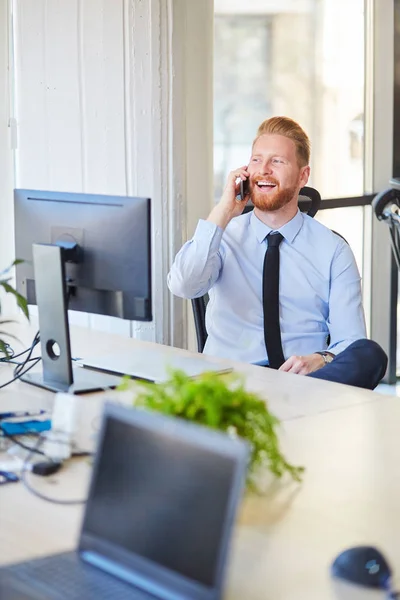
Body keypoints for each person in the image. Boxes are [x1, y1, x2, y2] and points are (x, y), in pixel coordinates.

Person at [167, 116, 387, 389]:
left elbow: (351, 341)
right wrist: (223, 210)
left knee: (371, 355)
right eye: (257, 160)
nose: (264, 170)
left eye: (277, 161)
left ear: (303, 176)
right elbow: (183, 285)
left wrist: (321, 358)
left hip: (301, 383)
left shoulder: (333, 250)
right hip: (229, 384)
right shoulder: (223, 235)